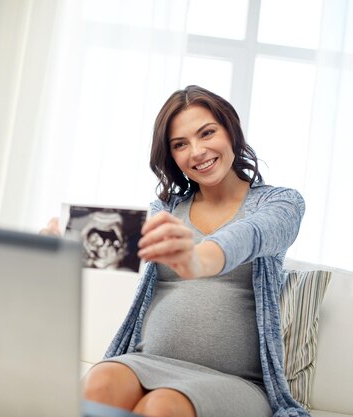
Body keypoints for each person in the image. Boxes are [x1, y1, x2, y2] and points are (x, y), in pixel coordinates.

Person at [42, 85, 308, 417]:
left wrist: (199, 258)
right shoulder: (165, 209)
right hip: (147, 361)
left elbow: (249, 235)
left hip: (233, 381)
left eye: (207, 133)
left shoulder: (280, 203)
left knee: (161, 407)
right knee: (101, 381)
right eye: (180, 144)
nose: (196, 151)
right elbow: (110, 246)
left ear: (231, 131)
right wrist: (55, 250)